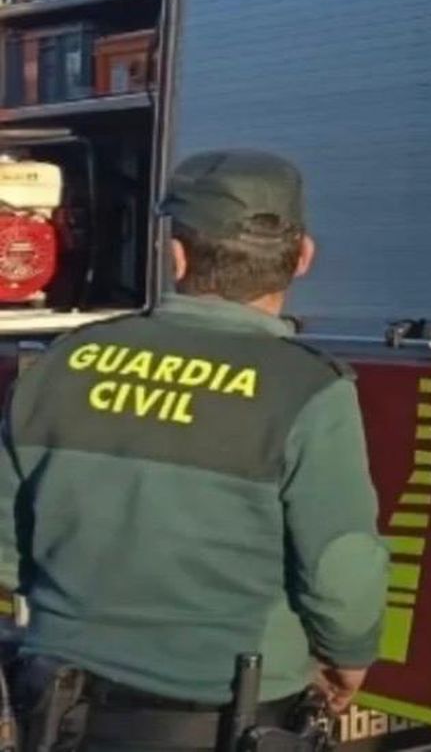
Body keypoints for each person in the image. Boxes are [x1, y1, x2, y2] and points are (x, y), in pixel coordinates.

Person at [0, 150, 388, 749]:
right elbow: (339, 564)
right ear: (303, 257)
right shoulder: (308, 389)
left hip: (65, 712)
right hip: (231, 713)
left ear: (174, 254)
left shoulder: (61, 365)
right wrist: (348, 656)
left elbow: (5, 547)